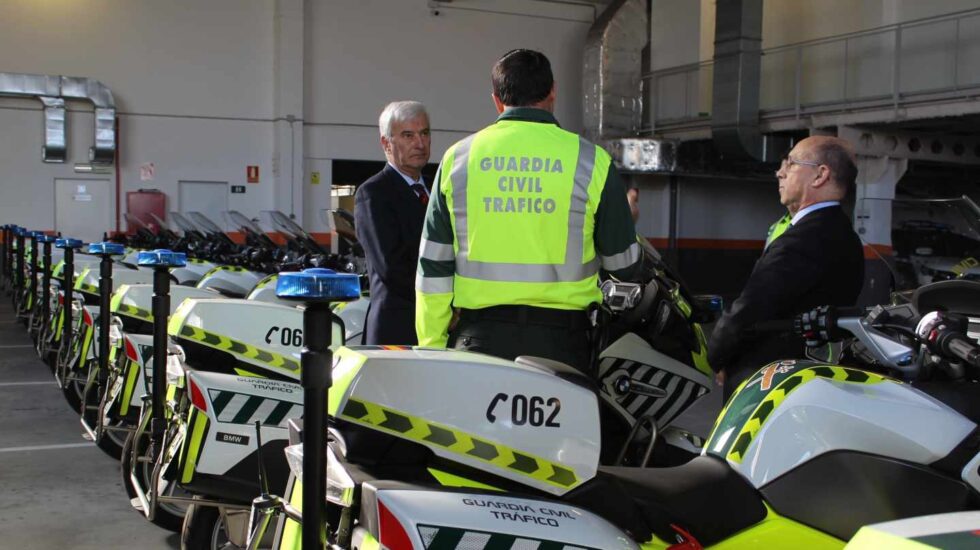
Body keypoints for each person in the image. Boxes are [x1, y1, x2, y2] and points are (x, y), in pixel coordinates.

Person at [415, 49, 640, 374]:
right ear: (552, 93)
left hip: (478, 343)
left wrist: (432, 349)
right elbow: (623, 265)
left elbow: (433, 270)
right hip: (562, 347)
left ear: (496, 100)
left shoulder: (457, 160)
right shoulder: (591, 161)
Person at [708, 135, 865, 398]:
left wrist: (713, 355)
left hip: (770, 383)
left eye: (790, 164)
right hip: (808, 379)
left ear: (819, 176)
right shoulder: (842, 234)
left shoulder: (807, 239)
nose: (780, 172)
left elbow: (750, 309)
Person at [354, 100, 431, 345]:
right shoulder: (373, 193)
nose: (420, 143)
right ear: (386, 143)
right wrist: (438, 304)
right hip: (397, 328)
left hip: (435, 327)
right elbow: (391, 268)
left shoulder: (439, 189)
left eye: (425, 133)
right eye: (408, 135)